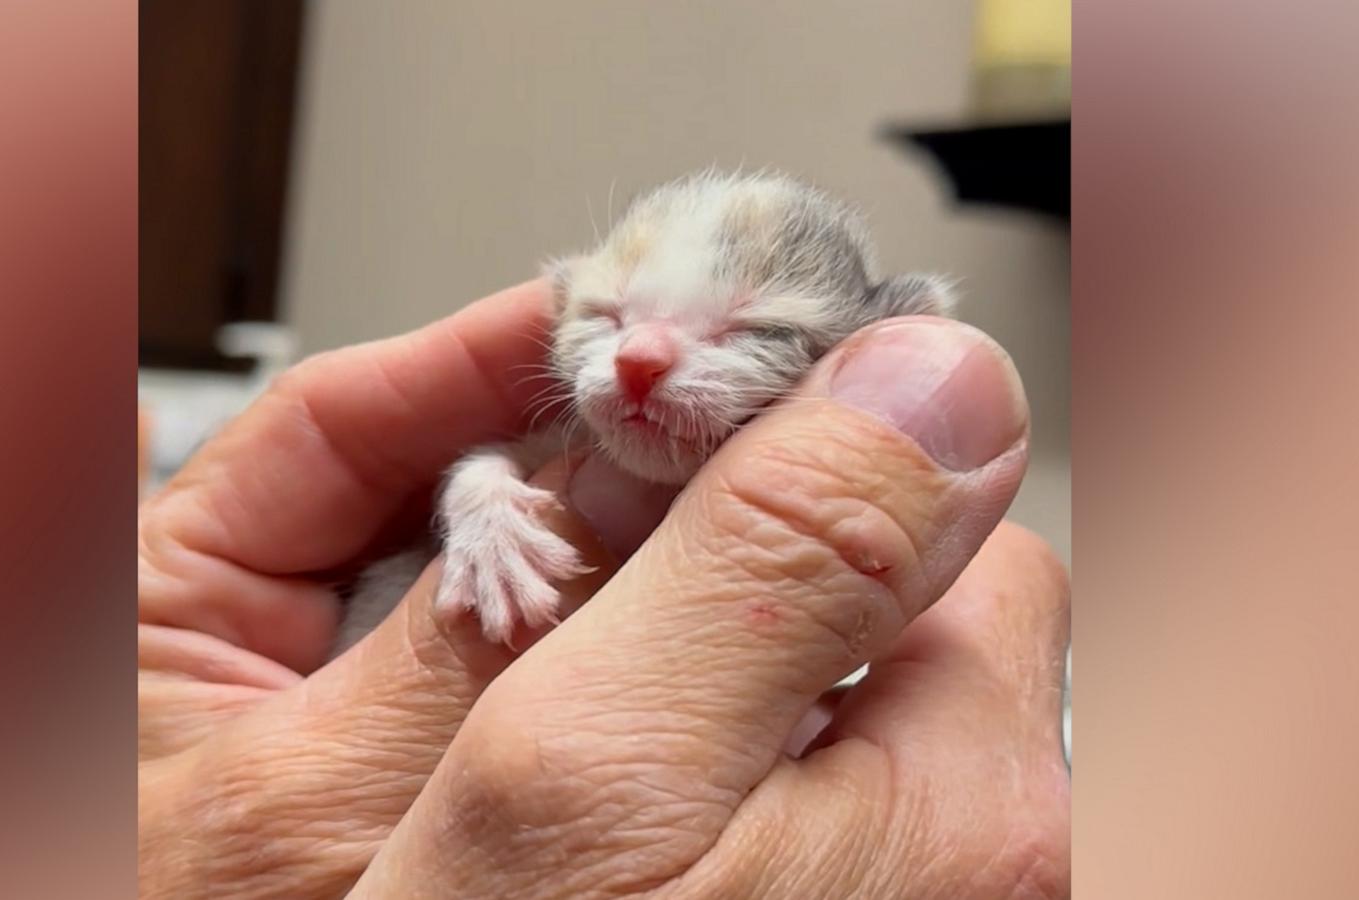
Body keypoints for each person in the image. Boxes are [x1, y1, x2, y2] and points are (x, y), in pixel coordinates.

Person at [137, 280, 1070, 897]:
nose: (638, 356)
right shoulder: (567, 462)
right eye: (605, 319)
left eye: (766, 333)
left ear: (871, 340)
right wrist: (489, 507)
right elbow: (486, 469)